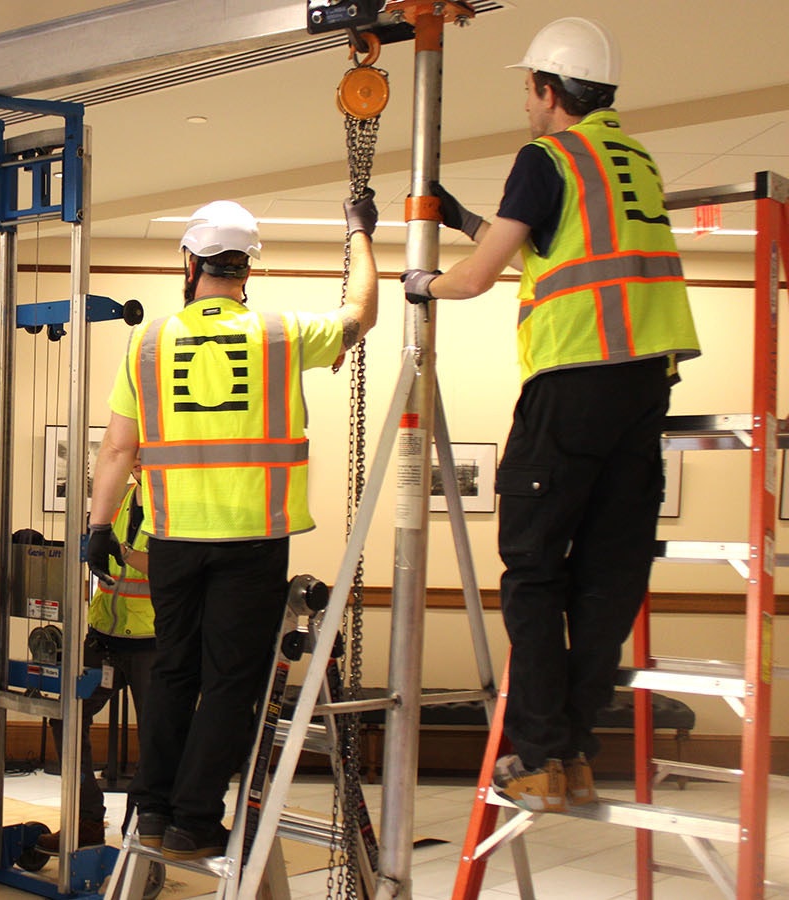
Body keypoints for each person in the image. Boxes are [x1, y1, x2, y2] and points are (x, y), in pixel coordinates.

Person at [400, 17, 700, 813]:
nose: (525, 105)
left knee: (532, 571)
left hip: (570, 382)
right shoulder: (631, 158)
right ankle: (572, 750)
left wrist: (421, 283)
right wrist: (471, 218)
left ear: (546, 90)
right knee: (606, 576)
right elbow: (560, 245)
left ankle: (537, 756)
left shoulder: (549, 155)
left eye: (527, 89)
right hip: (644, 385)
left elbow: (476, 281)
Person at [88, 195, 379, 860]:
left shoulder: (148, 341)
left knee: (172, 674)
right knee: (229, 682)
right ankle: (194, 817)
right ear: (246, 269)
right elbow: (361, 314)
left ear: (189, 262)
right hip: (253, 539)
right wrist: (359, 235)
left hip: (172, 538)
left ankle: (153, 808)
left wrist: (100, 528)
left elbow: (116, 451)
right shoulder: (281, 334)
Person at [36, 459, 155, 853]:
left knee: (157, 739)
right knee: (66, 716)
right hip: (104, 635)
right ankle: (87, 821)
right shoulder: (121, 502)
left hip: (153, 641)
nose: (136, 458)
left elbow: (174, 569)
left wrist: (117, 550)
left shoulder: (175, 507)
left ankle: (142, 837)